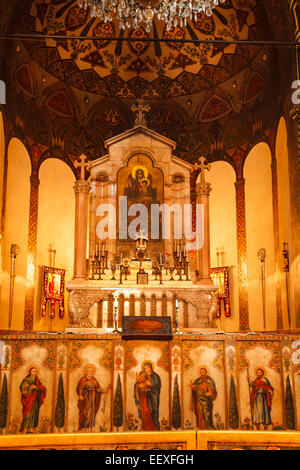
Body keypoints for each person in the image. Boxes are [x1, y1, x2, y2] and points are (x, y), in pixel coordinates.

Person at [76, 364, 111, 432]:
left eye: (92, 371)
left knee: (92, 414)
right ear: (85, 372)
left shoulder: (94, 380)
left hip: (93, 400)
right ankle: (84, 430)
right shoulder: (83, 380)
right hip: (85, 400)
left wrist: (106, 390)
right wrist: (80, 395)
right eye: (90, 371)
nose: (91, 373)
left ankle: (91, 430)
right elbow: (79, 389)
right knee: (86, 414)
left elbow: (98, 389)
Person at [134, 361, 161, 430]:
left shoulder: (155, 376)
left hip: (154, 396)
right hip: (146, 397)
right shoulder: (143, 375)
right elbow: (138, 384)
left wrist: (150, 388)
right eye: (145, 368)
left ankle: (155, 426)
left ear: (150, 368)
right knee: (146, 411)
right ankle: (146, 426)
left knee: (154, 410)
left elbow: (157, 386)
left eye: (147, 368)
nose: (146, 369)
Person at [20, 366, 46, 433]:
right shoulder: (26, 379)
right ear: (30, 372)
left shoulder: (37, 380)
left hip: (35, 400)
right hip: (28, 399)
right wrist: (27, 389)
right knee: (27, 414)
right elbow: (22, 387)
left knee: (34, 413)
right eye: (33, 371)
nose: (34, 372)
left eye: (35, 371)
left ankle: (31, 428)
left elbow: (42, 388)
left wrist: (36, 387)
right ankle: (25, 428)